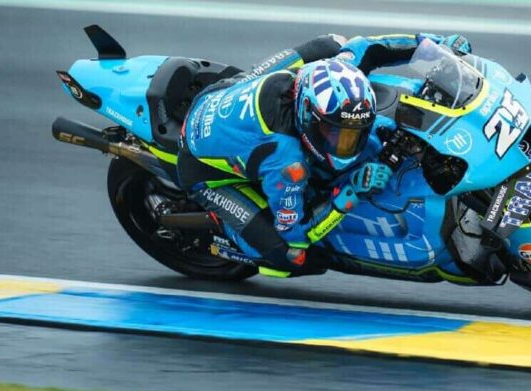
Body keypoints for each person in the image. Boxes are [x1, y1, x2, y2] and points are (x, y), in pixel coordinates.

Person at [176, 33, 472, 277]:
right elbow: (295, 231)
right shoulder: (288, 164)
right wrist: (350, 191)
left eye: (354, 134)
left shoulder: (337, 69)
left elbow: (368, 47)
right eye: (336, 135)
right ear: (309, 116)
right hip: (201, 167)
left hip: (228, 90)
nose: (347, 145)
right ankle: (227, 228)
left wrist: (436, 47)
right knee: (290, 255)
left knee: (331, 44)